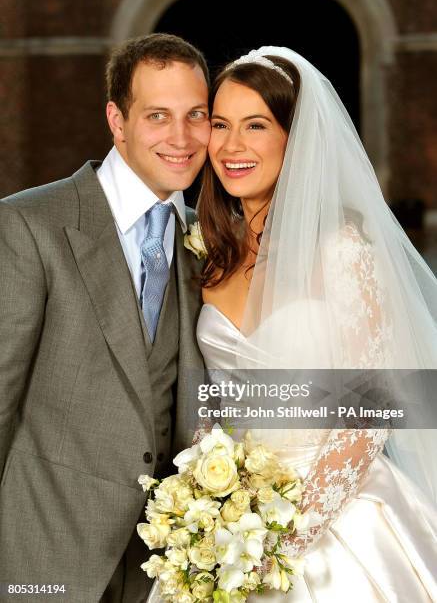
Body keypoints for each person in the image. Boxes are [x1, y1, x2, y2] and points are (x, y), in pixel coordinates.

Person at [194, 47, 437, 601]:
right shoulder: (209, 255)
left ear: (294, 136)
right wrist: (208, 507)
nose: (233, 146)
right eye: (221, 125)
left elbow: (367, 418)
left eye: (255, 126)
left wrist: (284, 539)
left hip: (337, 519)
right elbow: (214, 400)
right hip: (228, 524)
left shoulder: (343, 250)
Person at [0, 33, 210, 602]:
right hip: (44, 556)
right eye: (158, 116)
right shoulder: (29, 225)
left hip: (164, 570)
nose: (182, 138)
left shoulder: (207, 242)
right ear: (117, 120)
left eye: (196, 115)